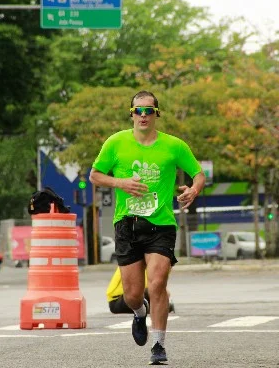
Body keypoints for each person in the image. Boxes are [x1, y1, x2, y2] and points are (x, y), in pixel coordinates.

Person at [90, 90, 205, 364]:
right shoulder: (116, 142)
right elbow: (94, 175)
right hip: (126, 224)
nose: (143, 115)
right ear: (131, 114)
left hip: (160, 224)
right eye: (138, 110)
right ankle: (139, 313)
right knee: (131, 295)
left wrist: (194, 190)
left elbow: (198, 174)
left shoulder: (174, 146)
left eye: (148, 110)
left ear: (156, 113)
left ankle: (159, 345)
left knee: (157, 283)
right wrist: (122, 183)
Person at [107, 266, 175, 314]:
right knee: (155, 292)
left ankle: (149, 308)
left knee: (157, 294)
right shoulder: (144, 261)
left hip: (117, 300)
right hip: (117, 300)